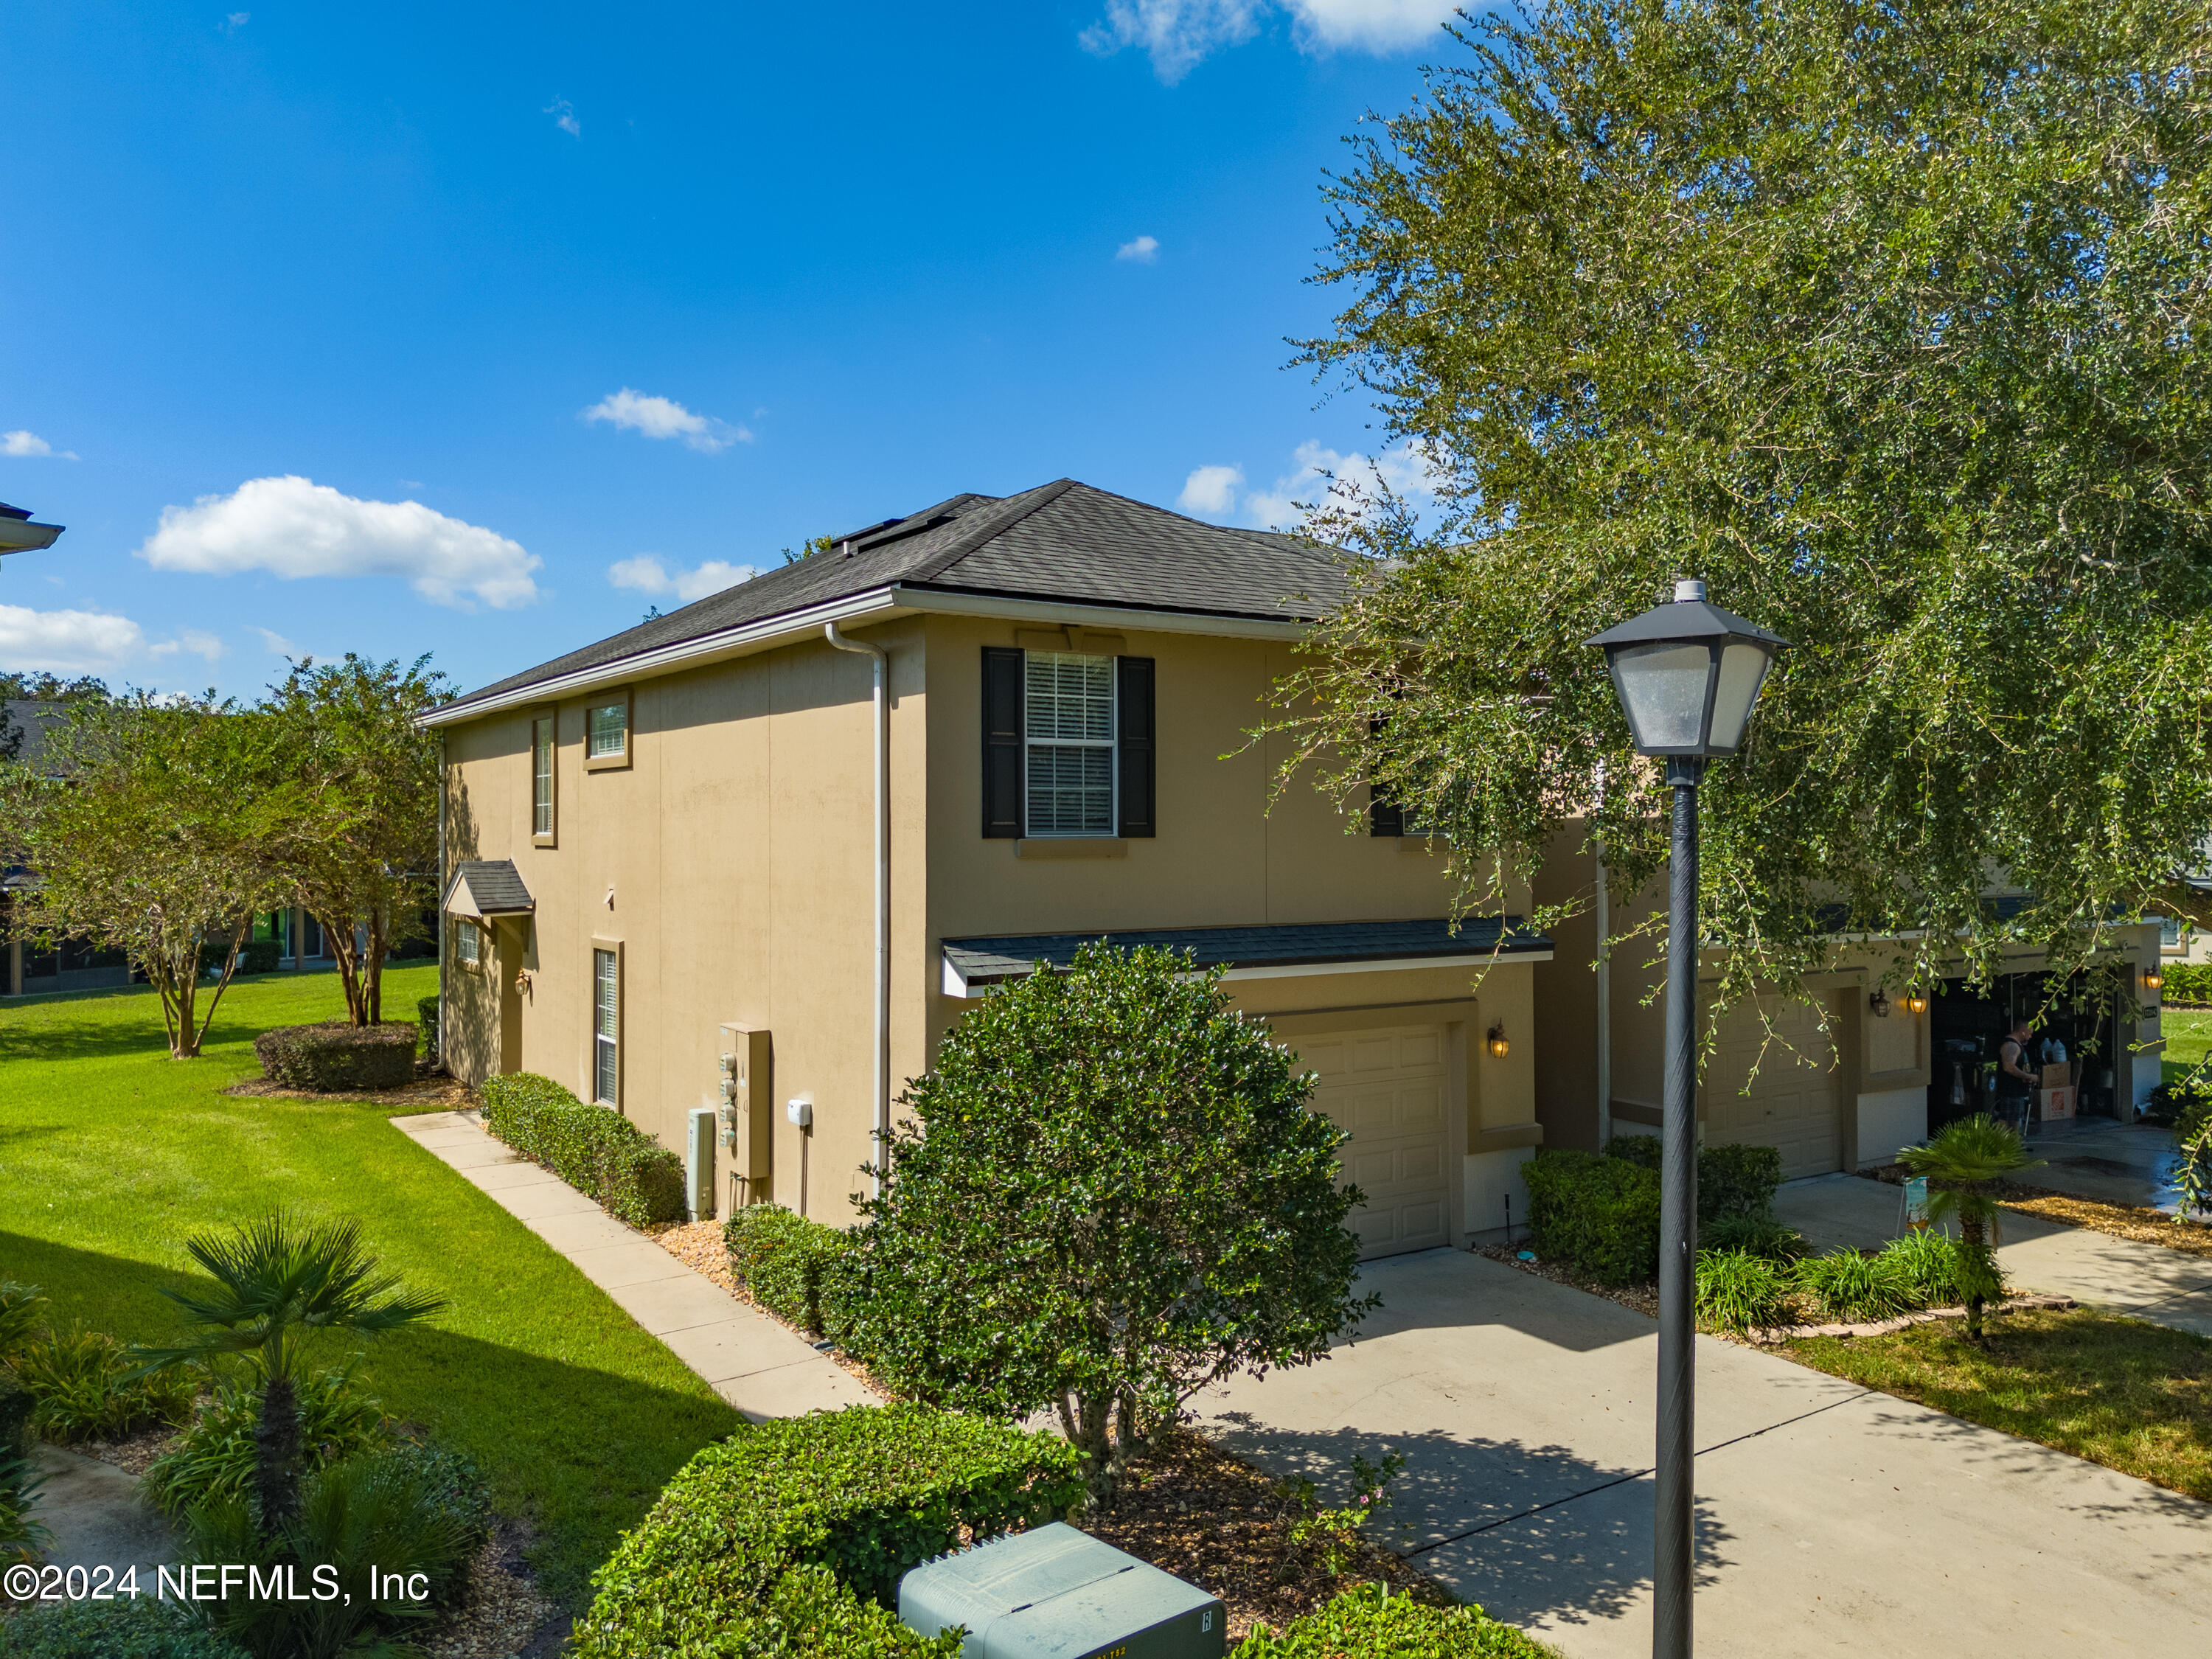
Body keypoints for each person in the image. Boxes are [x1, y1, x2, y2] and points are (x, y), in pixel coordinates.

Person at [1994, 1017, 2037, 1136]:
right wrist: (2028, 1076)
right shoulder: (2011, 1046)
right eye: (2030, 1033)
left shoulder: (2017, 1046)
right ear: (2023, 1031)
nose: (2030, 1036)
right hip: (2010, 1091)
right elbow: (2008, 1067)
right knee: (2007, 1120)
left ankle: (2015, 1145)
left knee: (2015, 1120)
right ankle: (2001, 1146)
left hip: (2017, 1092)